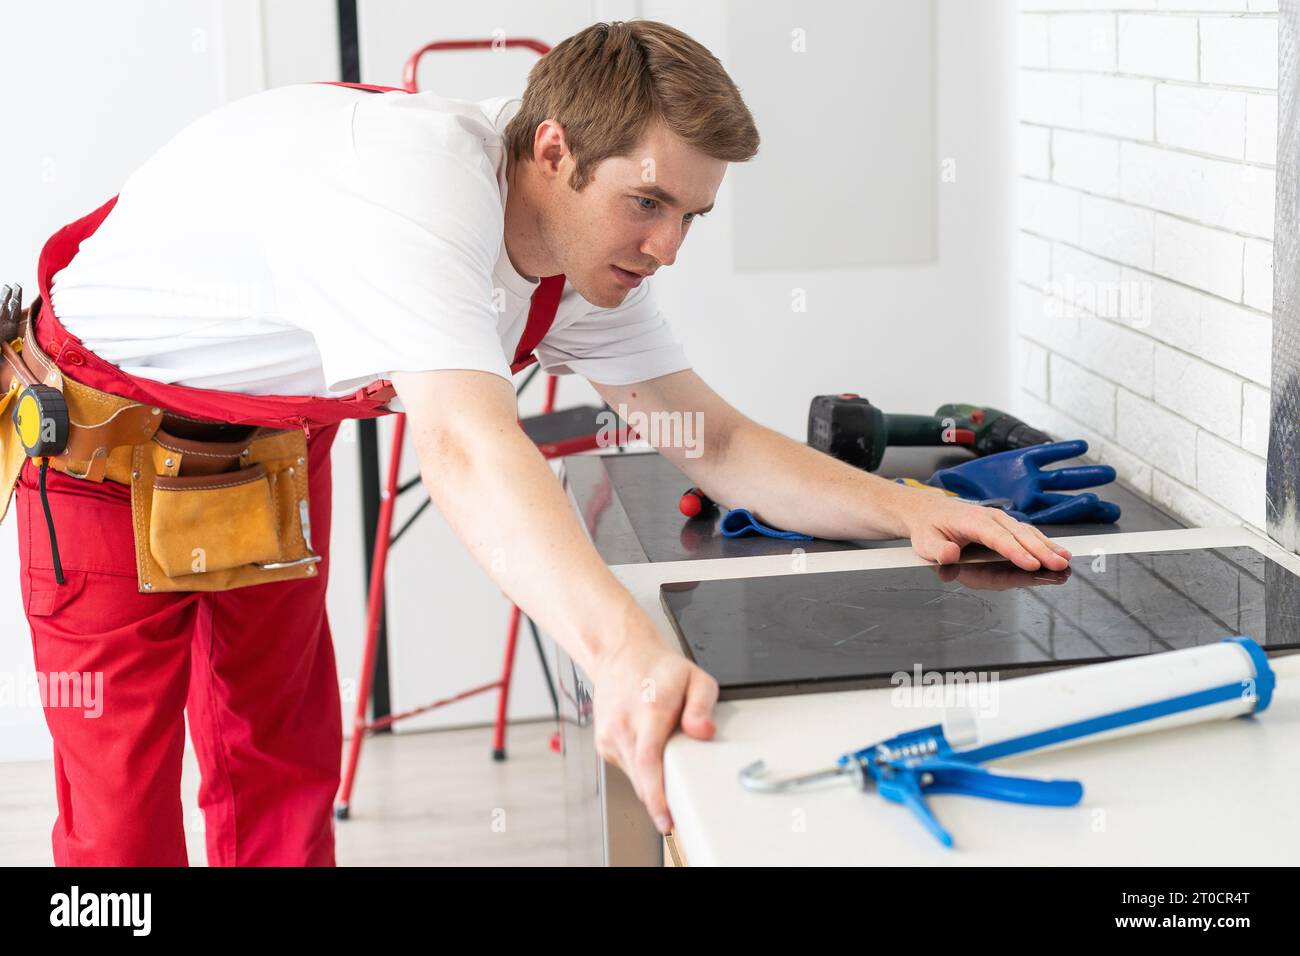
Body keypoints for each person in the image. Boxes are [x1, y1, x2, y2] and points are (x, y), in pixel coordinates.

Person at [5, 19, 1070, 866]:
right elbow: (468, 448)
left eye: (692, 215)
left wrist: (912, 508)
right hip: (97, 448)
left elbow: (715, 439)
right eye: (646, 202)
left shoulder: (582, 261)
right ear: (552, 149)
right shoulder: (417, 193)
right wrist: (618, 648)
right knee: (119, 832)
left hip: (265, 453)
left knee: (277, 767)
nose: (665, 246)